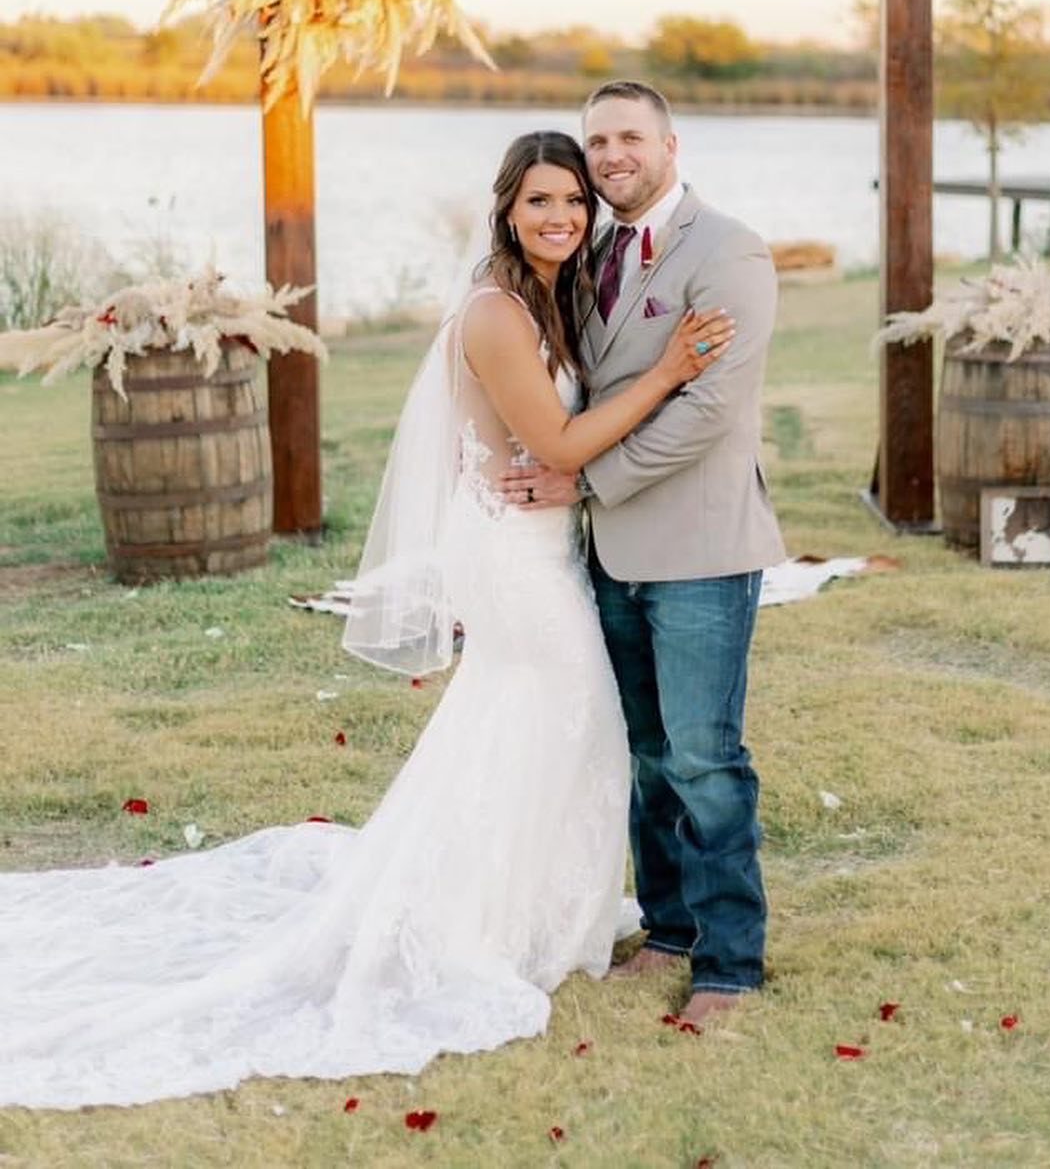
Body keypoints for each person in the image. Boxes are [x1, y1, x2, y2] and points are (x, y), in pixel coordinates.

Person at [0, 130, 733, 1110]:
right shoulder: (496, 311)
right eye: (538, 200)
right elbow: (556, 442)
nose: (559, 215)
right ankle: (477, 927)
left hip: (540, 542)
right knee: (565, 714)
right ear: (506, 209)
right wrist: (670, 369)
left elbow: (561, 444)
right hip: (510, 554)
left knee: (531, 722)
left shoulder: (549, 297)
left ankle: (518, 913)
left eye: (572, 200)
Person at [500, 83, 785, 1029]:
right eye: (597, 141)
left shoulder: (728, 251)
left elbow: (710, 410)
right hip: (610, 553)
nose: (611, 155)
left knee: (704, 755)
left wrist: (584, 479)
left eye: (629, 136)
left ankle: (730, 962)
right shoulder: (585, 251)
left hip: (700, 545)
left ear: (670, 144)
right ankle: (667, 928)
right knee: (648, 753)